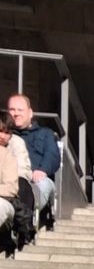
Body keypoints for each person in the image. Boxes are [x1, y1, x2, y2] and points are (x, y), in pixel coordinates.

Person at [7, 92, 60, 225]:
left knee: (44, 184)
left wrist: (43, 170)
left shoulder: (45, 133)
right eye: (12, 109)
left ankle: (25, 217)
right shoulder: (5, 136)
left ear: (30, 113)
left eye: (20, 110)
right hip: (11, 180)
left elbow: (52, 155)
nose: (16, 113)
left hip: (37, 179)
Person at [0, 114, 31, 256]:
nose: (3, 136)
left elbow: (11, 187)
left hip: (4, 200)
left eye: (7, 132)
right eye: (0, 131)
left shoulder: (8, 155)